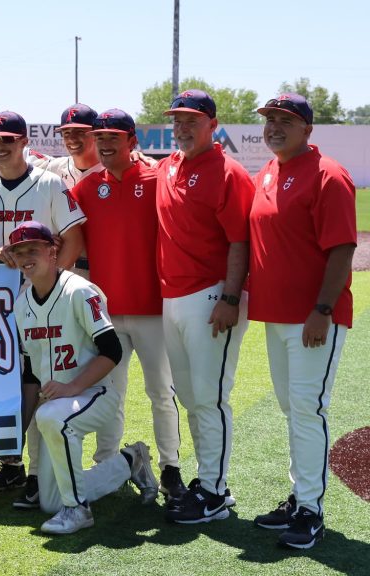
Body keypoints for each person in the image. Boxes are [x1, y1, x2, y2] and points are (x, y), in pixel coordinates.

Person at [0, 110, 86, 503]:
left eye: (7, 140)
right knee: (5, 385)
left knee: (41, 385)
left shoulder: (48, 183)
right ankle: (11, 469)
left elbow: (75, 238)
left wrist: (52, 289)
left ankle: (37, 474)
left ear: (23, 142)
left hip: (41, 304)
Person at [248, 94, 356, 549]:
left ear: (307, 129)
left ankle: (310, 510)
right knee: (295, 411)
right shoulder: (270, 170)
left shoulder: (329, 174)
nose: (274, 126)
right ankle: (299, 496)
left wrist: (323, 310)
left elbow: (343, 248)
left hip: (314, 317)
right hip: (279, 317)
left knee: (308, 411)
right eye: (270, 120)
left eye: (285, 120)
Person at [4, 221, 158, 534]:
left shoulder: (79, 291)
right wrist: (17, 432)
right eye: (19, 252)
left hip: (96, 393)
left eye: (33, 248)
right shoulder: (22, 304)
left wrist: (72, 387)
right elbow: (32, 374)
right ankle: (130, 461)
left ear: (52, 251)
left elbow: (112, 351)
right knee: (49, 500)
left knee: (51, 417)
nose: (26, 256)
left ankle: (78, 510)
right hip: (61, 401)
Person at [70, 109, 185, 499]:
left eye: (113, 137)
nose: (104, 143)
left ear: (132, 141)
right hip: (106, 314)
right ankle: (108, 466)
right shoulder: (85, 188)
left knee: (161, 393)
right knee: (108, 394)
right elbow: (68, 237)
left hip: (153, 309)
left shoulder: (157, 179)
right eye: (99, 137)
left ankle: (171, 468)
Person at [156, 90, 255, 524]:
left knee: (211, 398)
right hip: (173, 297)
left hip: (212, 296)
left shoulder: (228, 172)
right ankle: (210, 479)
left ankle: (214, 491)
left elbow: (241, 241)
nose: (181, 127)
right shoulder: (169, 166)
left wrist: (231, 297)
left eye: (191, 120)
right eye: (177, 120)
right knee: (193, 396)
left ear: (213, 124)